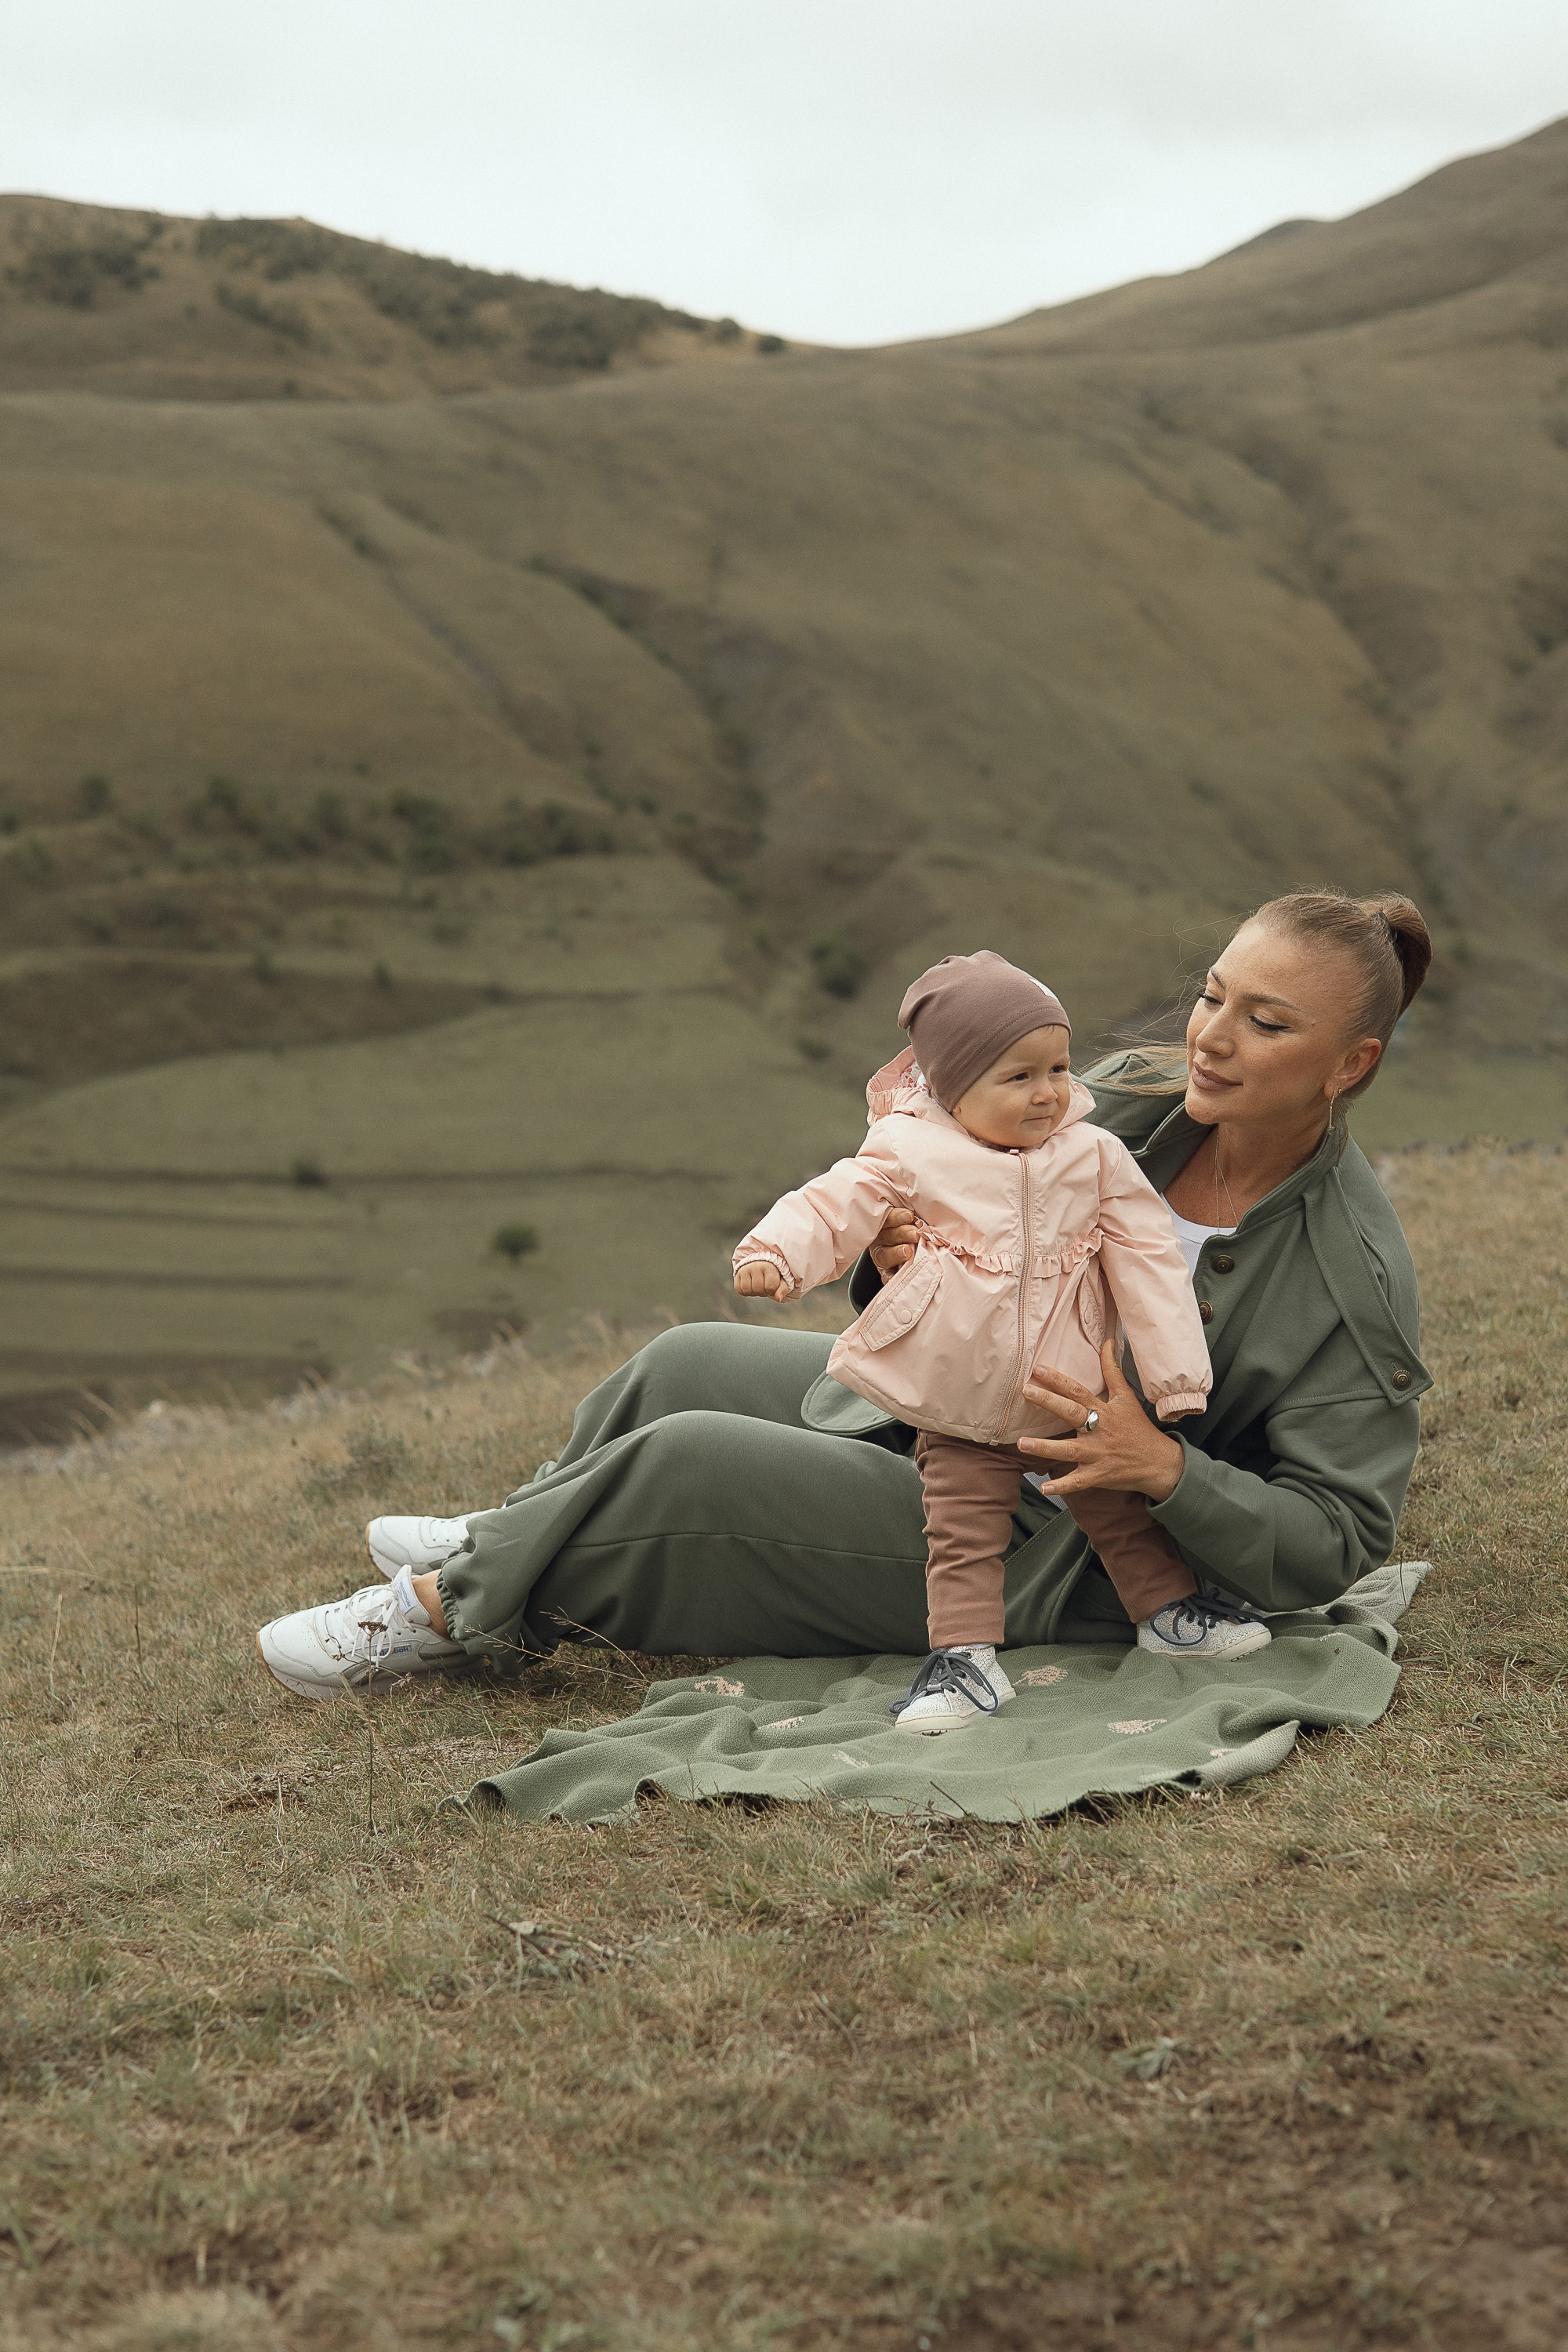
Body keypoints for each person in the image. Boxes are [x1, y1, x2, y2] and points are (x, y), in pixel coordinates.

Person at [256, 890, 1434, 1703]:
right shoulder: (1132, 1103)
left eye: (1264, 1022)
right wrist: (898, 1246)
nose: (1211, 1039)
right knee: (685, 1363)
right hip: (959, 1409)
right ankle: (515, 1532)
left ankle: (448, 1609)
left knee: (690, 1462)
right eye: (1213, 996)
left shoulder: (1350, 1276)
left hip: (1067, 1547)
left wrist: (1164, 1466)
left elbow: (1338, 1541)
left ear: (1351, 1065)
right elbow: (945, 1163)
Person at [729, 949, 1236, 1738]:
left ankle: (1168, 1613)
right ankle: (966, 1663)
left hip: (1068, 1395)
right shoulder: (908, 1150)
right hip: (955, 1395)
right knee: (960, 1537)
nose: (1047, 1093)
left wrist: (1171, 1379)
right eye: (1017, 1077)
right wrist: (773, 1254)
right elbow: (835, 1201)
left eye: (1058, 1068)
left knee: (1116, 1509)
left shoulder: (1093, 1154)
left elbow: (1147, 1260)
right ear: (951, 1084)